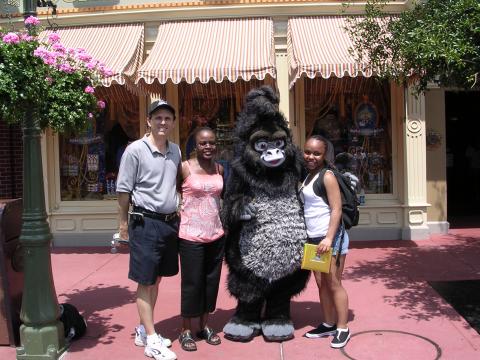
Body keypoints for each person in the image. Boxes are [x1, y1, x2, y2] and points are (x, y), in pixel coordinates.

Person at [116, 100, 180, 360]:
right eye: (158, 118)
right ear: (148, 121)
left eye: (167, 118)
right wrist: (122, 225)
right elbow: (123, 190)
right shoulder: (135, 150)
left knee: (157, 278)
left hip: (169, 223)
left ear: (173, 123)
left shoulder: (175, 150)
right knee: (145, 280)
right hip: (144, 222)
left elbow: (174, 185)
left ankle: (144, 329)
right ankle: (152, 340)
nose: (162, 122)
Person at [301, 135, 351, 349]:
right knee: (322, 284)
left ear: (324, 155)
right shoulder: (308, 175)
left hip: (330, 238)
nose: (311, 156)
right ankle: (329, 323)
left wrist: (329, 238)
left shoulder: (327, 176)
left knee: (333, 283)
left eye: (316, 153)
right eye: (308, 151)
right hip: (313, 239)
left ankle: (342, 328)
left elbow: (336, 209)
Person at [177, 127, 225, 351]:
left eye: (212, 143)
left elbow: (221, 200)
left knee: (211, 282)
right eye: (203, 143)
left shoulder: (219, 169)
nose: (208, 147)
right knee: (192, 283)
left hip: (216, 234)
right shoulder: (184, 168)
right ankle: (185, 329)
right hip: (190, 236)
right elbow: (173, 193)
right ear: (195, 145)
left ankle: (204, 325)